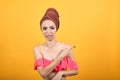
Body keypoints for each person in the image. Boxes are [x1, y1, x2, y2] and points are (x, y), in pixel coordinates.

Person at [33, 8, 78, 80]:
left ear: (56, 28)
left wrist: (61, 73)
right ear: (41, 30)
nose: (48, 32)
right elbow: (43, 73)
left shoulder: (66, 47)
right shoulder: (38, 49)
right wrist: (61, 56)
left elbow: (76, 70)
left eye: (52, 28)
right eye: (44, 28)